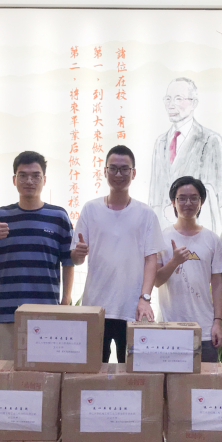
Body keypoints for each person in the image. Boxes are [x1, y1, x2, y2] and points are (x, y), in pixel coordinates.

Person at [0, 151, 74, 360]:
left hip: (46, 313)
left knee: (45, 373)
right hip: (8, 313)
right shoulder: (1, 216)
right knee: (8, 374)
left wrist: (66, 302)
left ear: (44, 179)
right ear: (14, 180)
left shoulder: (59, 217)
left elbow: (68, 261)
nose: (29, 181)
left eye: (35, 176)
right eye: (23, 175)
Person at [71, 145, 166, 362]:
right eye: (113, 168)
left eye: (124, 169)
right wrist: (78, 253)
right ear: (105, 171)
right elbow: (76, 259)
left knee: (132, 373)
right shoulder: (90, 209)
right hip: (95, 307)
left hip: (132, 309)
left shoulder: (146, 214)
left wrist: (145, 298)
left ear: (134, 173)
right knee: (93, 371)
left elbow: (151, 260)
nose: (118, 174)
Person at [154, 176, 222, 362]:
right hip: (169, 326)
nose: (188, 203)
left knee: (206, 379)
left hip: (204, 328)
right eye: (182, 198)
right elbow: (156, 281)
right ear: (173, 202)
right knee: (170, 379)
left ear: (201, 202)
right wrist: (174, 262)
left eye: (194, 198)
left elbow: (217, 284)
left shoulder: (212, 239)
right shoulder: (162, 237)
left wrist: (217, 322)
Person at [148, 77, 222, 233]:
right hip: (162, 231)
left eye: (178, 99)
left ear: (194, 103)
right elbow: (154, 194)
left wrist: (181, 210)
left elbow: (217, 194)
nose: (171, 104)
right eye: (168, 99)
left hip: (196, 230)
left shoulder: (210, 140)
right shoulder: (160, 142)